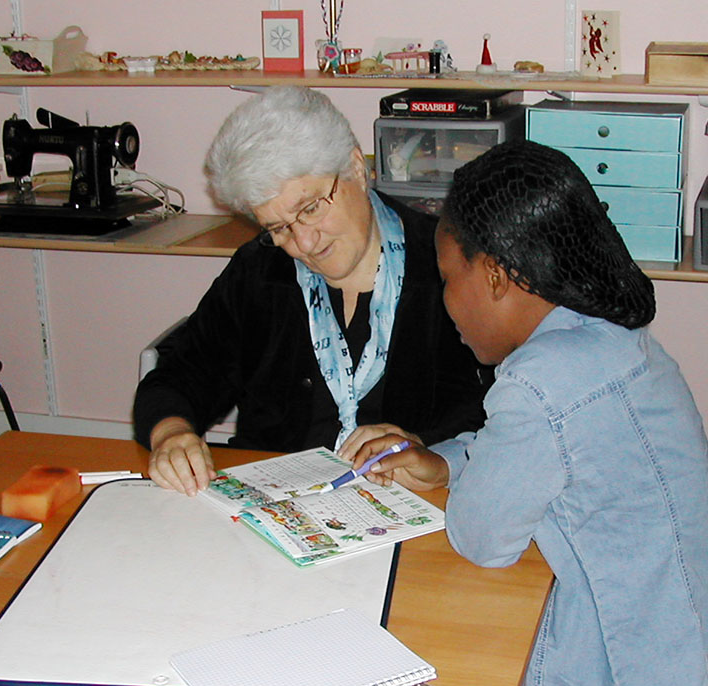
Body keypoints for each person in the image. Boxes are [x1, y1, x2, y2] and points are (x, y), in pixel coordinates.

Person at [355, 140, 708, 686]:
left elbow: (482, 538)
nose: (445, 302)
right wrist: (444, 465)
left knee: (447, 682)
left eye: (446, 278)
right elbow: (545, 455)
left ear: (494, 275)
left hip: (648, 669)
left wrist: (461, 479)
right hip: (703, 623)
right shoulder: (605, 333)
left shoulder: (540, 382)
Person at [133, 87, 488, 496]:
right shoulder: (262, 271)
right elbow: (182, 373)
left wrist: (430, 450)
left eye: (311, 208)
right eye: (278, 227)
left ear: (356, 168)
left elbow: (492, 410)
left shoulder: (445, 267)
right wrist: (172, 433)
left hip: (410, 505)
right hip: (273, 506)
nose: (303, 242)